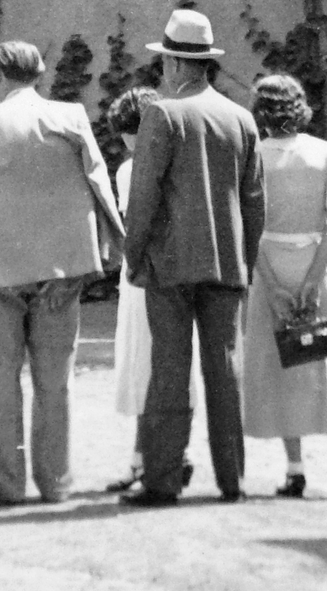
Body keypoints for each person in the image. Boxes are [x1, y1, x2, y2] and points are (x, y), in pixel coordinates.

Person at [0, 40, 125, 506]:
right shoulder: (70, 117)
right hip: (62, 268)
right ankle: (56, 483)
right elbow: (99, 181)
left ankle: (6, 485)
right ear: (39, 75)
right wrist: (108, 249)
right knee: (55, 380)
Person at [122, 5, 265, 507]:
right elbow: (254, 203)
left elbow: (143, 198)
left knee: (170, 370)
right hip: (226, 266)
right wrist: (243, 262)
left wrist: (132, 254)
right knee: (225, 370)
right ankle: (234, 480)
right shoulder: (242, 119)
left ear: (177, 65)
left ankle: (162, 480)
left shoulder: (162, 114)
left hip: (170, 264)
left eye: (165, 61)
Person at [242, 73, 327, 500]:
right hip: (316, 265)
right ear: (300, 108)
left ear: (260, 112)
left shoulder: (251, 156)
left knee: (285, 368)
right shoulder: (326, 153)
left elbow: (249, 227)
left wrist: (274, 285)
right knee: (325, 366)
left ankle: (295, 470)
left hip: (269, 269)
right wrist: (314, 280)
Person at [105, 86, 202, 495]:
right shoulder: (185, 161)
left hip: (144, 274)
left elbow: (134, 229)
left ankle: (158, 458)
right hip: (179, 270)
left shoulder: (132, 169)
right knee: (167, 366)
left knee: (146, 366)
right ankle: (148, 457)